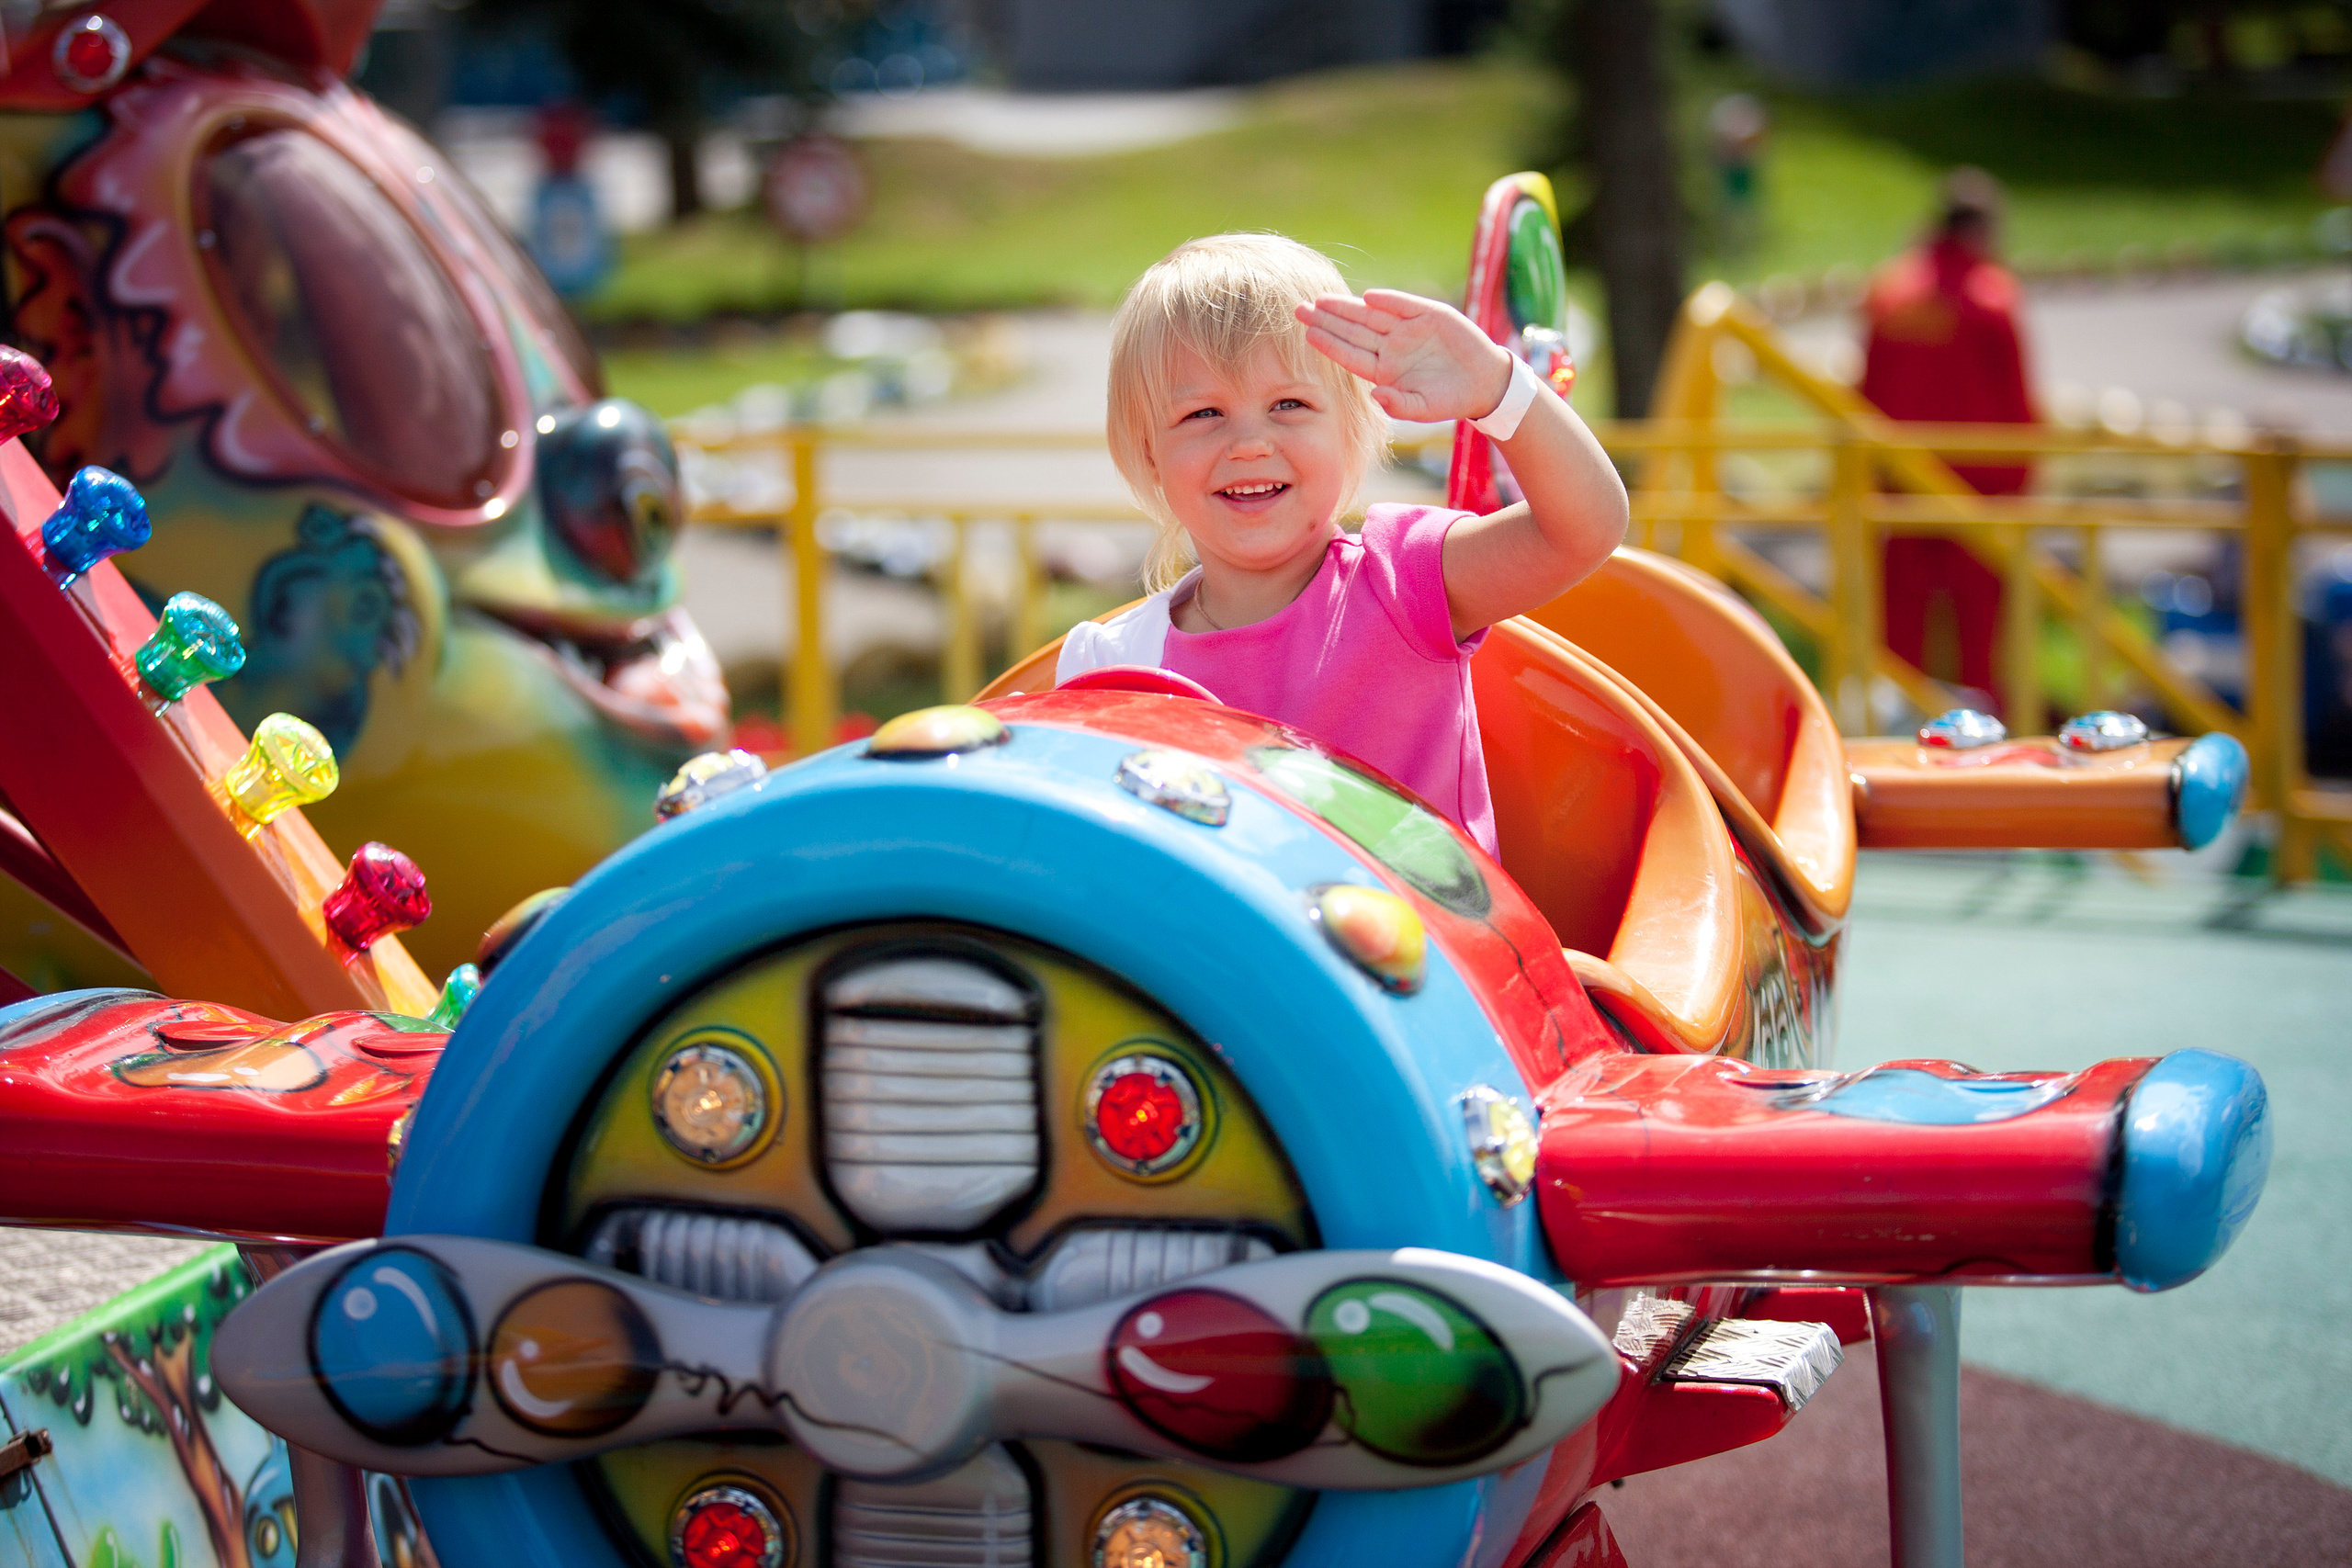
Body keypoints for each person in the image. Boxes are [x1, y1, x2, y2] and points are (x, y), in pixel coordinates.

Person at [1056, 233, 1629, 856]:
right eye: (1203, 414)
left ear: (1354, 428)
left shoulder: (1406, 578)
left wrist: (1500, 390)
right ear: (1149, 454)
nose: (1249, 442)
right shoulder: (1113, 665)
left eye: (1289, 404)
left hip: (1422, 947)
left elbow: (1584, 528)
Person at [1860, 168, 2038, 707]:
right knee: (1979, 635)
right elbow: (2015, 397)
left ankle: (1894, 721)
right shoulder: (1992, 296)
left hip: (1902, 481)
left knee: (1901, 628)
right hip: (1977, 488)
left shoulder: (1891, 293)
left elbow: (1867, 388)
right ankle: (1984, 730)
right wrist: (2023, 477)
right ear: (1984, 228)